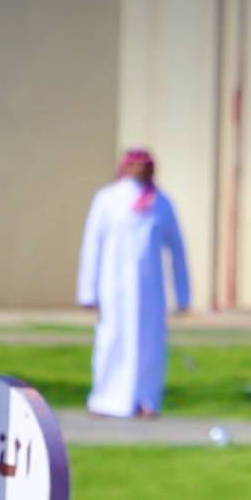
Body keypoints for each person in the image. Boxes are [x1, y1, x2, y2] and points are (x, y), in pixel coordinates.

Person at [76, 149, 190, 418]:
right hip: (113, 288)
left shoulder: (162, 203)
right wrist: (87, 291)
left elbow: (177, 249)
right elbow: (92, 245)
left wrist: (182, 296)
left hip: (150, 291)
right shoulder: (107, 199)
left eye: (145, 165)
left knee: (149, 346)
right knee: (111, 341)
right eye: (135, 164)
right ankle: (105, 399)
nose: (140, 169)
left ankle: (145, 400)